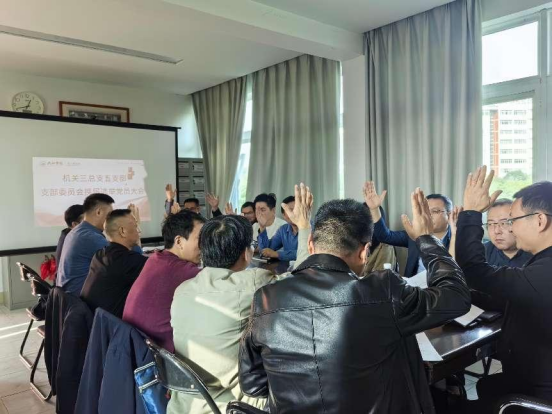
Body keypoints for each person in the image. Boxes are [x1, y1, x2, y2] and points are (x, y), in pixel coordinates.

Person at [239, 189, 471, 414]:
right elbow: (456, 296)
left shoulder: (265, 298)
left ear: (310, 244)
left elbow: (253, 385)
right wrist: (426, 239)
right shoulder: (383, 290)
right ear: (364, 252)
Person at [169, 184, 312, 414]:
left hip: (184, 402)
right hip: (229, 404)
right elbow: (303, 279)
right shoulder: (252, 283)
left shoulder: (183, 290)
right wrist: (305, 226)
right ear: (247, 253)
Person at [456, 167, 552, 411]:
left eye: (512, 220)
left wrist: (471, 213)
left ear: (540, 221)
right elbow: (515, 299)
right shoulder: (542, 264)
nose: (510, 228)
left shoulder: (545, 271)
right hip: (529, 376)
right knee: (485, 386)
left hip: (538, 392)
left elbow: (473, 269)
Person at [123, 210, 206, 352]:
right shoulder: (183, 270)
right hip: (159, 354)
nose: (205, 245)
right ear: (179, 241)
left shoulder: (156, 258)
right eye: (201, 239)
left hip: (137, 346)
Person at [364, 181, 453, 277]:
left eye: (435, 211)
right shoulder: (415, 233)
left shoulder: (457, 240)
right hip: (414, 284)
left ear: (449, 215)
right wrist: (374, 209)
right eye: (425, 210)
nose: (428, 215)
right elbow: (384, 236)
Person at [80, 209, 147, 318]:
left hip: (91, 321)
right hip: (108, 325)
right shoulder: (127, 261)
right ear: (122, 231)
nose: (139, 231)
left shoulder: (100, 254)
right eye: (135, 226)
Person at [57, 194, 115, 295]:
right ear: (98, 212)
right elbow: (124, 262)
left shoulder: (76, 231)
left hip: (68, 297)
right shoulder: (91, 237)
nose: (111, 219)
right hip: (80, 299)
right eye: (109, 215)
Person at [485, 199, 532, 267]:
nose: (497, 231)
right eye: (490, 224)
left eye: (504, 223)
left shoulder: (537, 253)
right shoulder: (481, 253)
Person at [258, 196, 298, 261]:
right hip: (288, 266)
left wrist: (277, 254)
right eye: (290, 210)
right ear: (284, 215)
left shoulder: (312, 228)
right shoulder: (283, 230)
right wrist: (262, 227)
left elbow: (306, 253)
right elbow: (266, 250)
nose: (294, 213)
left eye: (297, 209)